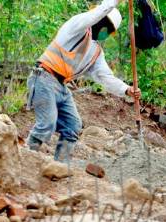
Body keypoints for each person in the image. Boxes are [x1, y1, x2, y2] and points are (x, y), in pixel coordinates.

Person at [26, 0, 140, 161]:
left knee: (72, 126)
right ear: (101, 21)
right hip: (43, 77)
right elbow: (101, 10)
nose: (106, 34)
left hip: (61, 86)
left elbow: (105, 77)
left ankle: (60, 167)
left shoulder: (95, 52)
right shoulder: (77, 26)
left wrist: (127, 89)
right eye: (108, 29)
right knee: (46, 125)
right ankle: (26, 159)